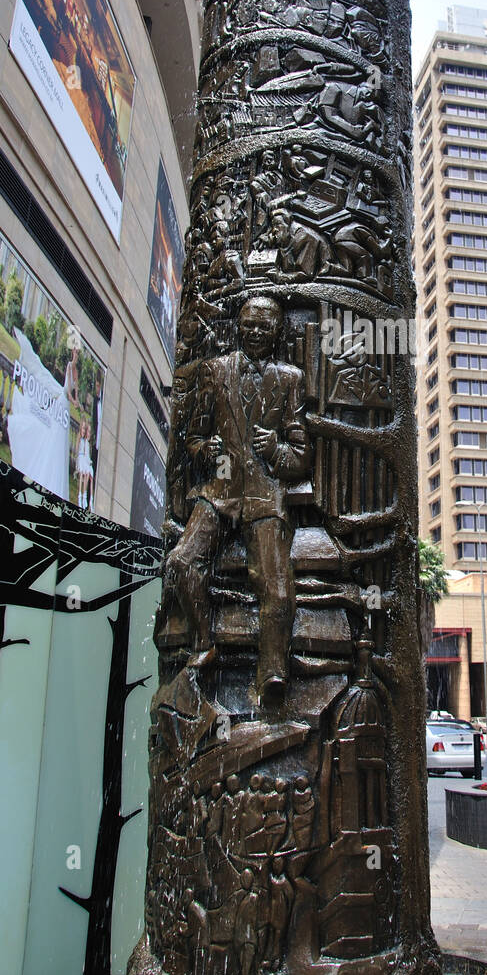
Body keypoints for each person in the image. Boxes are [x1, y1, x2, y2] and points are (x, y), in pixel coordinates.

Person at [162, 295, 311, 700]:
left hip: (264, 496)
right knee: (179, 562)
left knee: (277, 589)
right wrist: (203, 449)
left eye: (264, 326)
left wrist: (276, 449)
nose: (255, 332)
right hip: (221, 489)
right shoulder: (214, 371)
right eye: (248, 324)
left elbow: (300, 457)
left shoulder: (289, 379)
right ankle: (203, 643)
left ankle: (271, 675)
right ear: (239, 326)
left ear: (278, 332)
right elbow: (191, 437)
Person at [75, 419, 93, 509]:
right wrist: (77, 459)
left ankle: (84, 496)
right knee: (82, 473)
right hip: (80, 458)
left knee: (86, 474)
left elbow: (87, 454)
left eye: (84, 429)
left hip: (85, 459)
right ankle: (79, 496)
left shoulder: (86, 441)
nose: (83, 431)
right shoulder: (80, 438)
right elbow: (77, 448)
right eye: (82, 428)